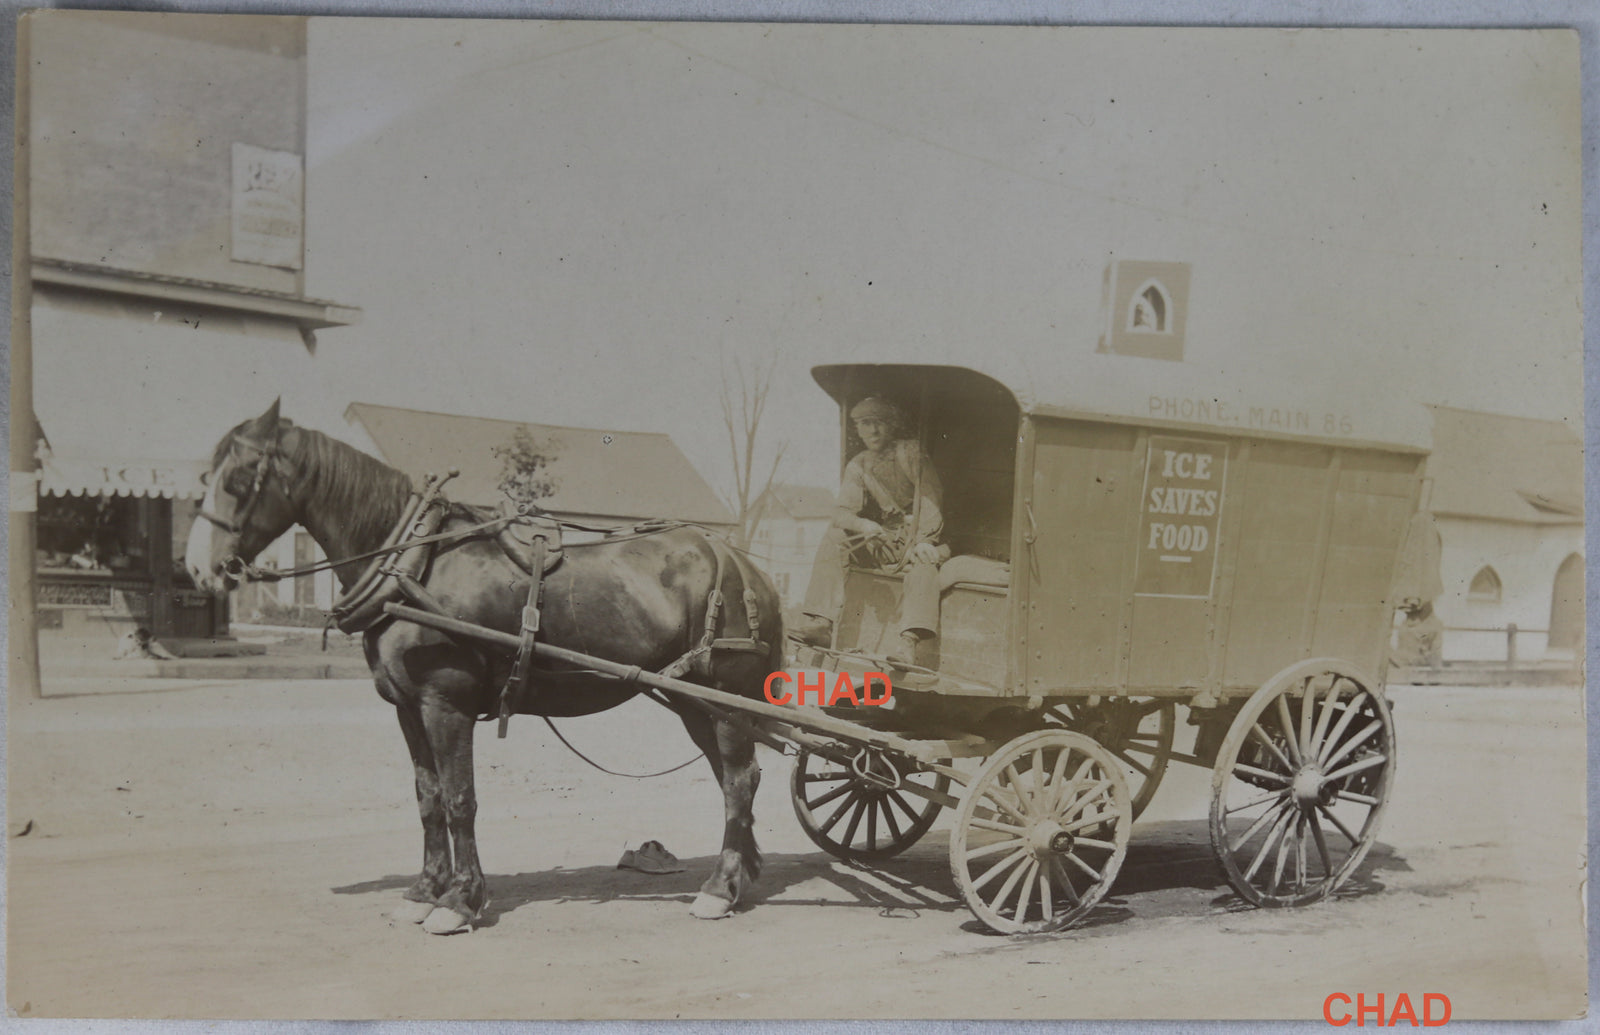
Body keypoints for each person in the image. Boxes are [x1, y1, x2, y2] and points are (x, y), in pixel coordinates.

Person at [792, 396, 949, 675]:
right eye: (865, 424)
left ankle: (908, 645)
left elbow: (931, 495)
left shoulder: (910, 452)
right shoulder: (859, 465)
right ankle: (822, 623)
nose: (872, 431)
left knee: (923, 566)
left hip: (922, 536)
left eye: (879, 423)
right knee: (835, 537)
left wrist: (926, 540)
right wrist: (864, 525)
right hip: (889, 539)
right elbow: (841, 513)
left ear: (892, 425)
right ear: (858, 429)